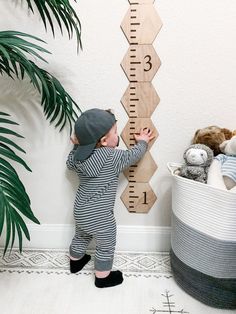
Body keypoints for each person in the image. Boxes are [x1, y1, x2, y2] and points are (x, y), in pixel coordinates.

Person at [66, 108, 155, 288]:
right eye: (115, 131)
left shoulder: (77, 158)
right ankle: (103, 278)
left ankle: (75, 262)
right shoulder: (111, 157)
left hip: (81, 211)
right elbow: (133, 155)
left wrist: (77, 145)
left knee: (81, 235)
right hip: (100, 217)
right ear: (104, 140)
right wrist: (143, 143)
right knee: (106, 244)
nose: (118, 135)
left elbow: (69, 163)